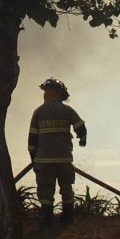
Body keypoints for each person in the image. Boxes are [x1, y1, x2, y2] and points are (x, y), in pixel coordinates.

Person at [28, 77, 87, 227]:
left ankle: (46, 219)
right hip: (64, 159)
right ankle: (68, 217)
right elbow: (80, 127)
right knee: (66, 186)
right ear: (59, 94)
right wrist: (82, 138)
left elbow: (32, 139)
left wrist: (33, 158)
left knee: (45, 190)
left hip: (43, 160)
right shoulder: (67, 110)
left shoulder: (38, 112)